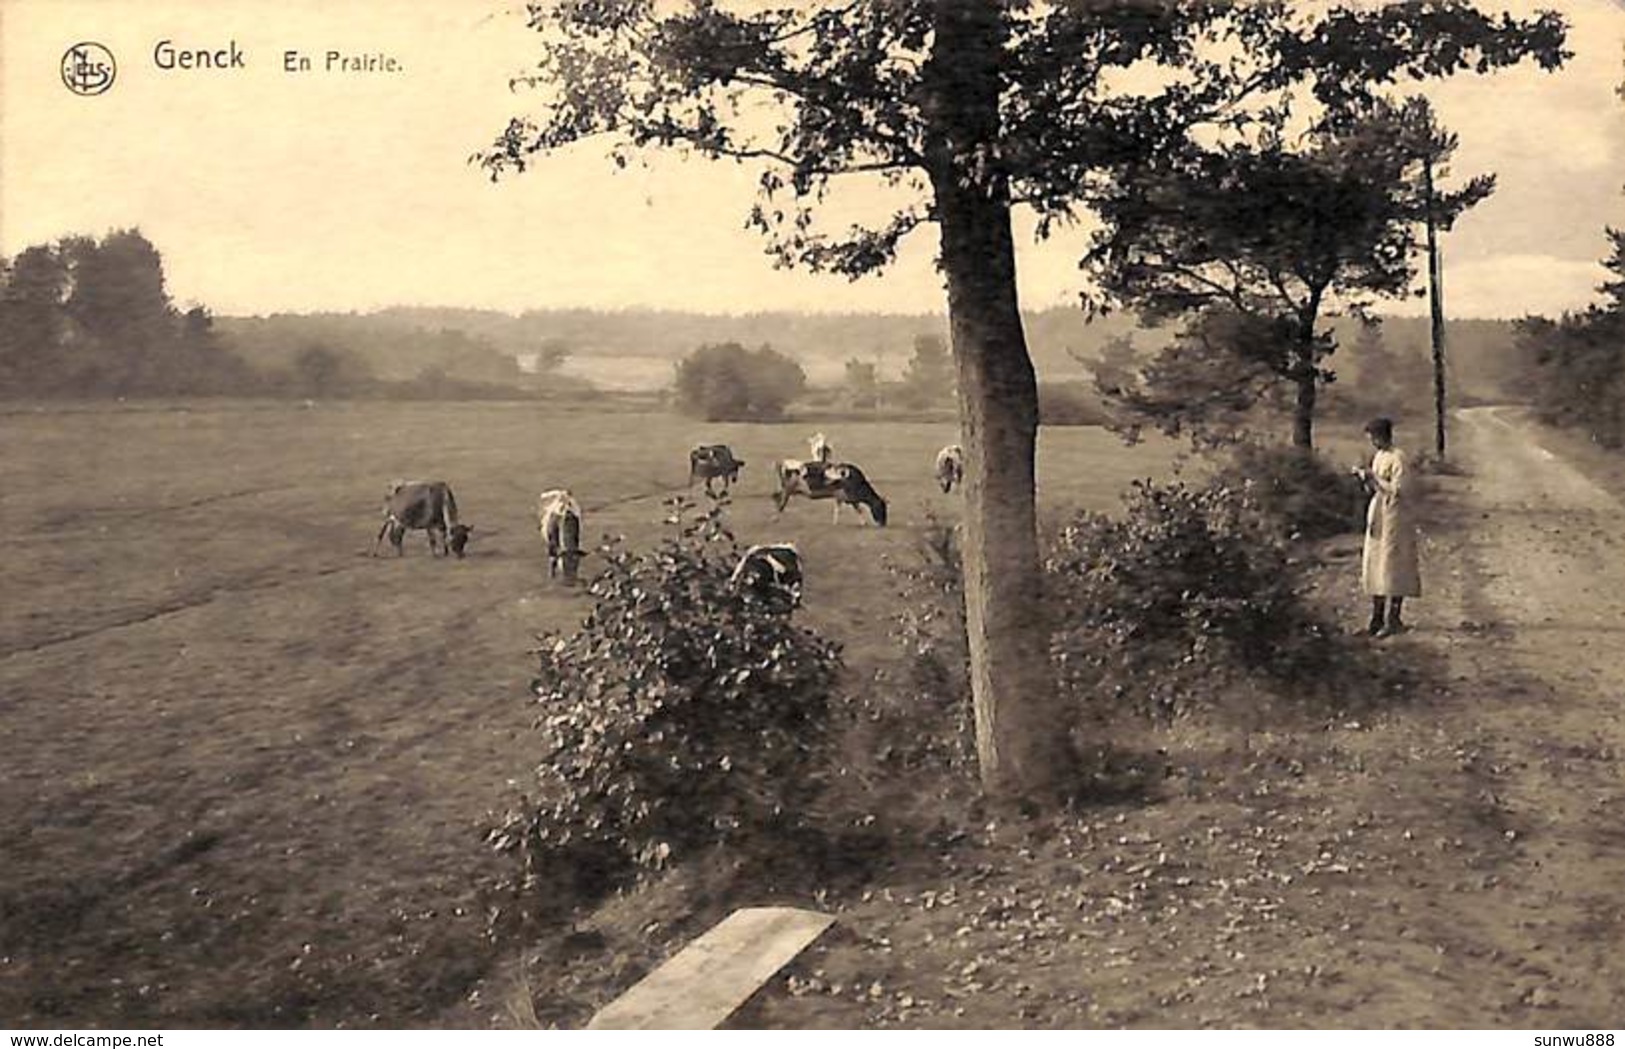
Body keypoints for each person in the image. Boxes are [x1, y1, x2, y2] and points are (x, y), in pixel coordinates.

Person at [1353, 417, 1421, 637]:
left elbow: (1399, 490)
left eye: (1374, 437)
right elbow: (1375, 489)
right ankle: (1376, 618)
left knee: (1393, 563)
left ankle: (1394, 618)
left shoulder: (1398, 457)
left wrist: (1375, 478)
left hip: (1396, 515)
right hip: (1379, 512)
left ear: (1383, 435)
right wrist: (1366, 479)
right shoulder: (1379, 457)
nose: (1372, 442)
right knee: (1375, 561)